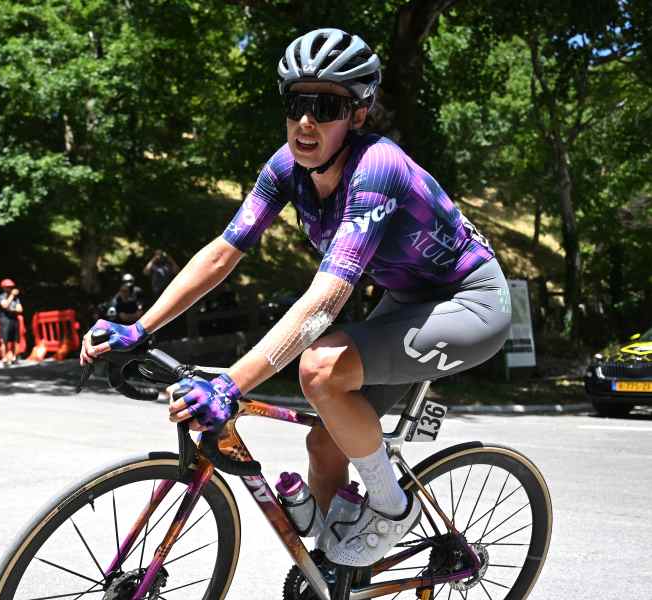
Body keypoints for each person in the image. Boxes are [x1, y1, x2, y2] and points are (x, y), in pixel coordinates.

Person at [81, 28, 510, 568]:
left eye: (326, 107)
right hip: (407, 302)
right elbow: (223, 252)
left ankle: (392, 506)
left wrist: (230, 384)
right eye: (296, 104)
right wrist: (139, 328)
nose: (306, 121)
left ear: (357, 114)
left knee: (321, 369)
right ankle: (334, 573)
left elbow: (325, 301)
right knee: (325, 444)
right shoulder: (286, 167)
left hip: (472, 304)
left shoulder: (377, 168)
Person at [0, 278, 24, 367]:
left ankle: (14, 358)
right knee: (4, 341)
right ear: (3, 288)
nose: (10, 288)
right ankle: (4, 359)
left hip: (14, 320)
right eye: (8, 287)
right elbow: (5, 305)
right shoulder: (1, 297)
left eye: (11, 287)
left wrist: (11, 309)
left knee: (16, 340)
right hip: (5, 320)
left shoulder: (16, 298)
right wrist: (11, 296)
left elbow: (20, 309)